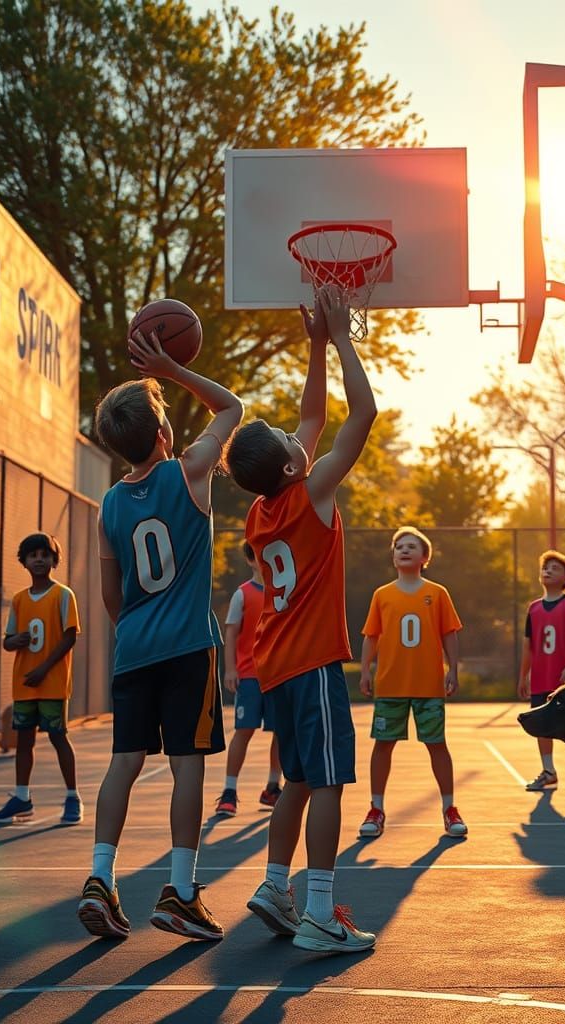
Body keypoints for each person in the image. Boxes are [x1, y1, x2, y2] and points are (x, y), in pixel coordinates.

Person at [76, 326, 242, 942]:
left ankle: (100, 878)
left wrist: (137, 634)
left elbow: (111, 598)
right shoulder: (190, 473)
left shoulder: (110, 506)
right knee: (188, 766)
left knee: (124, 762)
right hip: (188, 648)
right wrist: (172, 369)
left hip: (133, 650)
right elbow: (232, 408)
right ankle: (180, 892)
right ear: (165, 434)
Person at [226, 284, 377, 953]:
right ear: (294, 465)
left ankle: (273, 884)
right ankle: (319, 912)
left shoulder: (262, 511)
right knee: (330, 784)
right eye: (293, 440)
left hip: (274, 664)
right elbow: (361, 414)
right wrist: (342, 335)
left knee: (296, 779)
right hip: (312, 664)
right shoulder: (313, 493)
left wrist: (313, 347)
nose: (300, 431)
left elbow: (310, 418)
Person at [357, 527, 466, 839]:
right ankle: (376, 809)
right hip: (391, 685)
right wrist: (365, 671)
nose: (404, 550)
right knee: (383, 745)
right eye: (399, 547)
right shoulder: (382, 595)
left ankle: (449, 809)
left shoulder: (438, 593)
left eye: (411, 546)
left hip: (428, 685)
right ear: (393, 557)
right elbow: (371, 637)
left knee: (437, 746)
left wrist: (452, 669)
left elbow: (449, 634)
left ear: (424, 557)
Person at [0, 533, 82, 825]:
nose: (39, 559)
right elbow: (7, 642)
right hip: (24, 683)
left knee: (58, 737)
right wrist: (15, 640)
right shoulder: (19, 600)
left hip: (52, 681)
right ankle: (22, 798)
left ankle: (72, 796)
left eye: (45, 554)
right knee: (24, 740)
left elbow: (70, 636)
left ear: (54, 560)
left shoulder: (63, 595)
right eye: (33, 555)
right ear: (24, 562)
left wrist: (44, 668)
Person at [215, 541, 281, 817]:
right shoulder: (242, 594)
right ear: (251, 561)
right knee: (244, 731)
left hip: (278, 675)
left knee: (282, 732)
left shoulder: (282, 592)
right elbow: (231, 633)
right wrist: (230, 669)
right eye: (258, 557)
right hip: (250, 675)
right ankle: (229, 791)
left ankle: (273, 787)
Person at [518, 550, 565, 793]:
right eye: (545, 567)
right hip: (540, 677)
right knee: (541, 725)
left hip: (564, 679)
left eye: (554, 568)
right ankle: (548, 772)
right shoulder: (534, 608)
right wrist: (523, 675)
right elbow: (528, 645)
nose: (547, 570)